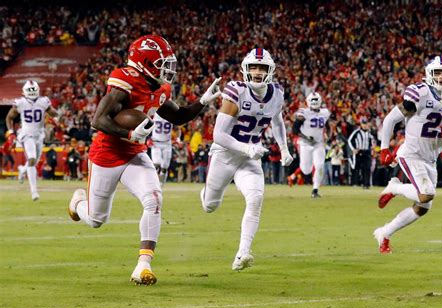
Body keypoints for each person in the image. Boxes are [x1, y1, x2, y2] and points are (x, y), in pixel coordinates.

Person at [67, 35, 221, 285]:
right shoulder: (125, 81)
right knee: (96, 220)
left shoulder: (160, 88)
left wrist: (202, 101)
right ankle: (77, 205)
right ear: (144, 63)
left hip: (135, 154)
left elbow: (179, 116)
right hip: (107, 155)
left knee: (154, 199)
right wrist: (128, 132)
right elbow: (98, 120)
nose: (167, 69)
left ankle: (143, 266)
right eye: (161, 63)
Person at [200, 48, 293, 271]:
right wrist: (247, 148)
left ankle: (243, 253)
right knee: (210, 206)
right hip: (225, 153)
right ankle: (205, 193)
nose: (258, 72)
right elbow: (218, 135)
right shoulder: (236, 90)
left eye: (262, 68)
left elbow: (278, 120)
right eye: (254, 67)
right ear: (246, 69)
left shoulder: (277, 93)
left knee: (255, 198)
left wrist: (284, 148)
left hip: (250, 157)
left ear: (270, 71)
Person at [375, 56, 442, 253]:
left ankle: (384, 233)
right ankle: (395, 187)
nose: (441, 77)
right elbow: (390, 120)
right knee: (426, 194)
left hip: (431, 158)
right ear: (429, 74)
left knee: (423, 208)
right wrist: (384, 149)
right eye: (437, 73)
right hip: (411, 153)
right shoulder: (419, 93)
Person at [6, 80, 58, 201]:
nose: (32, 92)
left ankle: (22, 170)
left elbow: (53, 113)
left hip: (39, 135)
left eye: (33, 90)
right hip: (26, 134)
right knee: (32, 158)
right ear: (24, 92)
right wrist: (10, 132)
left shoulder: (43, 101)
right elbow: (9, 117)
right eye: (30, 90)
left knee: (33, 162)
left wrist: (55, 117)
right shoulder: (20, 102)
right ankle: (34, 192)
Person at [292, 92, 330, 197]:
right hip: (305, 144)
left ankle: (315, 190)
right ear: (308, 102)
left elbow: (329, 125)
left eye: (315, 100)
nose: (314, 102)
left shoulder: (325, 112)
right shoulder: (304, 112)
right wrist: (306, 137)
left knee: (320, 165)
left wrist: (328, 135)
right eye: (312, 100)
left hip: (319, 143)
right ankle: (301, 176)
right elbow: (295, 129)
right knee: (306, 170)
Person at [347, 117, 374, 189]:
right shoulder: (356, 132)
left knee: (367, 168)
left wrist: (371, 148)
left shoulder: (369, 132)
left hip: (367, 152)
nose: (364, 125)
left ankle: (366, 184)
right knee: (356, 168)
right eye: (363, 124)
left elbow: (371, 141)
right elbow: (349, 140)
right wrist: (353, 149)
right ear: (361, 124)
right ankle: (355, 183)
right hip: (359, 152)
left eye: (365, 123)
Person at [150, 113, 173, 184]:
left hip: (167, 143)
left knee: (165, 166)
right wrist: (147, 138)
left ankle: (161, 183)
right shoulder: (155, 114)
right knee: (157, 164)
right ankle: (153, 182)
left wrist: (177, 138)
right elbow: (147, 125)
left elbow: (177, 128)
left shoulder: (172, 115)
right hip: (155, 143)